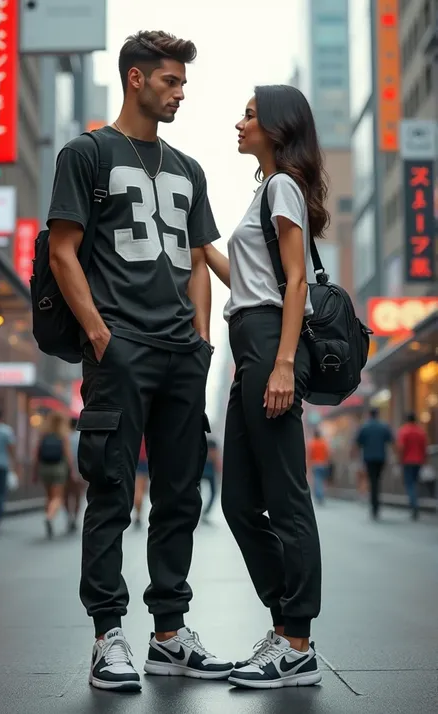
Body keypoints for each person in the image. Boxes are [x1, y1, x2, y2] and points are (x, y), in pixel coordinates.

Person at [46, 30, 232, 691]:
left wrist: (202, 340)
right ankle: (107, 637)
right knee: (111, 495)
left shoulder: (188, 168)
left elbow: (199, 259)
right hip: (120, 349)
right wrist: (100, 335)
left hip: (182, 353)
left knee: (179, 496)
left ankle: (169, 635)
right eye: (171, 81)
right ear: (135, 79)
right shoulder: (86, 153)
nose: (181, 92)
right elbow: (61, 251)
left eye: (182, 83)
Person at [204, 85, 326, 690]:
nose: (240, 122)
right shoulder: (265, 190)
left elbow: (296, 279)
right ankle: (286, 628)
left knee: (286, 496)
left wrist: (281, 363)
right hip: (250, 337)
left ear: (276, 127)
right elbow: (248, 280)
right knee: (237, 500)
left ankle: (297, 641)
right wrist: (203, 244)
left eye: (250, 114)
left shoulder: (282, 188)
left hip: (270, 341)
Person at [33, 412, 74, 539]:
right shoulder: (63, 435)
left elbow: (36, 455)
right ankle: (49, 517)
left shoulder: (44, 434)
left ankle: (48, 515)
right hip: (58, 468)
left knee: (49, 496)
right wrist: (71, 471)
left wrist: (35, 472)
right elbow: (68, 456)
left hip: (44, 468)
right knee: (58, 497)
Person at [354, 408, 394, 520]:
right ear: (378, 414)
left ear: (369, 415)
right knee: (377, 480)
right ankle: (376, 504)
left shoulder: (364, 427)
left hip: (369, 459)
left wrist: (354, 456)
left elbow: (357, 443)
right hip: (381, 458)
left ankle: (374, 506)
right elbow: (391, 441)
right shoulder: (384, 426)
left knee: (373, 481)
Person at [396, 413, 428, 520]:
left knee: (409, 484)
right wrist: (424, 460)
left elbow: (401, 447)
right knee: (415, 483)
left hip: (407, 461)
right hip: (418, 461)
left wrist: (399, 460)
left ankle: (413, 506)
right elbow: (424, 447)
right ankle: (415, 503)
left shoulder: (404, 431)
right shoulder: (421, 431)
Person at [64, 417, 85, 532]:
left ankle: (69, 516)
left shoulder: (65, 437)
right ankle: (75, 519)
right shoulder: (81, 437)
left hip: (66, 472)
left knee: (66, 495)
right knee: (77, 496)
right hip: (80, 471)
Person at [307, 429, 331, 505]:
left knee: (317, 480)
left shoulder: (312, 444)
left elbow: (310, 455)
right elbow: (328, 453)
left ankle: (319, 496)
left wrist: (309, 464)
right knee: (322, 480)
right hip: (323, 464)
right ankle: (321, 495)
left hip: (315, 464)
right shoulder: (324, 443)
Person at [201, 436, 220, 521]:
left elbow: (218, 465)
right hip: (203, 474)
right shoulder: (202, 455)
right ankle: (199, 511)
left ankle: (205, 513)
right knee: (198, 493)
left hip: (210, 474)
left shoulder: (213, 457)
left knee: (213, 492)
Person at [133, 437, 149, 527]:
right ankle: (138, 515)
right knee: (140, 488)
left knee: (139, 488)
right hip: (144, 457)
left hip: (137, 455)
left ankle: (138, 515)